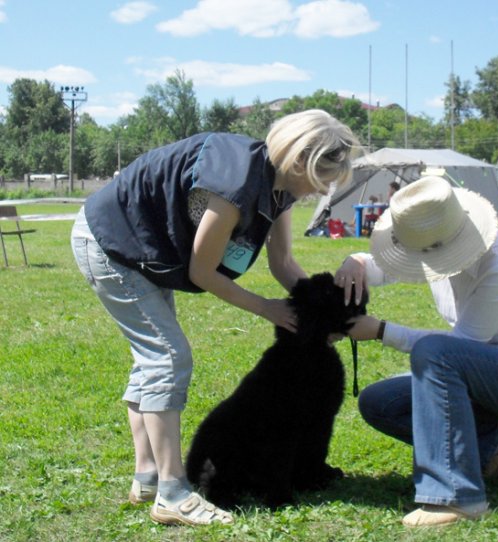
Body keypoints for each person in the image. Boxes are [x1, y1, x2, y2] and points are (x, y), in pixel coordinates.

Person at [70, 109, 359, 526]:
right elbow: (201, 273)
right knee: (167, 358)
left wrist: (322, 312)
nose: (323, 189)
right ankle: (172, 493)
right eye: (324, 177)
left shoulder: (281, 186)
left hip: (146, 254)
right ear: (299, 161)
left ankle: (147, 478)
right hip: (112, 245)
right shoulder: (235, 185)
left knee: (154, 357)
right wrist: (267, 308)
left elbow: (283, 264)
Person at [334, 175, 498, 528]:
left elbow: (463, 346)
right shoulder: (433, 243)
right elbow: (383, 268)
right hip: (484, 375)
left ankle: (457, 498)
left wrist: (382, 331)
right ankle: (493, 442)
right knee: (378, 402)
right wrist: (356, 261)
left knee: (436, 353)